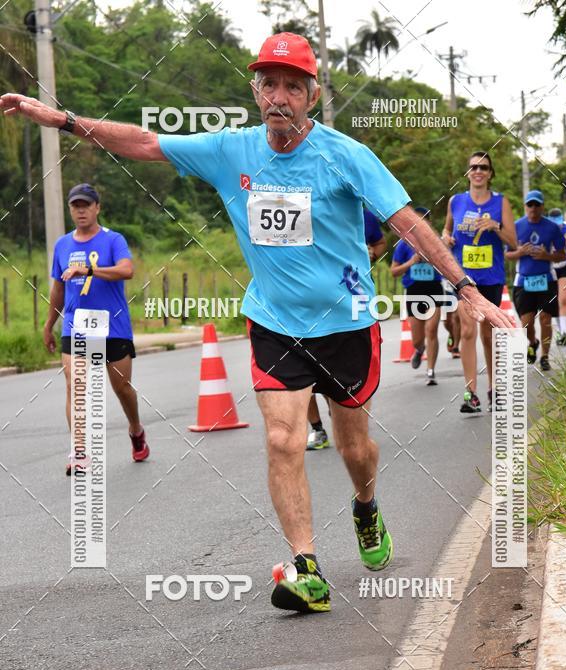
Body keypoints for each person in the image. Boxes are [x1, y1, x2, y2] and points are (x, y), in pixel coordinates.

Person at [0, 33, 513, 613]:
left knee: (356, 450)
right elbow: (144, 142)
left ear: (312, 96)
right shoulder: (231, 151)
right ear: (255, 90)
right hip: (275, 322)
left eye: (294, 86)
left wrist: (465, 287)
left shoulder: (346, 156)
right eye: (269, 83)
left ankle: (366, 508)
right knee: (282, 437)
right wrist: (63, 120)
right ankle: (306, 567)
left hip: (347, 323)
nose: (280, 96)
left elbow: (409, 224)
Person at [44, 183, 149, 474]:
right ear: (70, 210)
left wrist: (89, 269)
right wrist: (49, 323)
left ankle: (136, 429)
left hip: (112, 326)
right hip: (76, 325)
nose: (80, 210)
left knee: (122, 388)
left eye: (86, 205)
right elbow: (58, 288)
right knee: (74, 385)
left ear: (97, 208)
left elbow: (127, 270)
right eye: (75, 206)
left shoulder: (113, 240)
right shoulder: (63, 245)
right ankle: (79, 453)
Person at [442, 151, 517, 412]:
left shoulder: (501, 203)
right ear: (468, 172)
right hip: (464, 278)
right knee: (467, 331)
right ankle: (470, 394)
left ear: (490, 173)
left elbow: (513, 242)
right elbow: (446, 231)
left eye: (483, 167)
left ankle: (494, 389)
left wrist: (495, 225)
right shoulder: (456, 201)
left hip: (492, 277)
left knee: (488, 335)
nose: (478, 171)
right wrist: (446, 239)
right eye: (473, 167)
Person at [307, 208, 386, 450]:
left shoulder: (364, 214)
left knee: (332, 368)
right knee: (303, 368)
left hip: (350, 301)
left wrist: (372, 254)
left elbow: (380, 243)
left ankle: (339, 412)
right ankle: (317, 429)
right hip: (309, 299)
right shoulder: (305, 205)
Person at [506, 190, 566, 371]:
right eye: (530, 205)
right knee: (526, 322)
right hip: (523, 281)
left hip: (546, 280)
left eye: (536, 205)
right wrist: (520, 253)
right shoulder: (515, 226)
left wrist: (546, 255)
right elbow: (507, 254)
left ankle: (545, 357)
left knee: (546, 319)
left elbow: (562, 255)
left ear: (542, 206)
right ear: (525, 206)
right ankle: (533, 342)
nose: (533, 208)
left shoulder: (552, 228)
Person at [390, 206, 445, 386]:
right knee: (417, 339)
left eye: (424, 220)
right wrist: (411, 262)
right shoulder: (403, 244)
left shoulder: (437, 242)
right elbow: (394, 271)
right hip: (414, 292)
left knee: (432, 329)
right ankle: (419, 350)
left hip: (434, 289)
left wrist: (432, 260)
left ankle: (431, 371)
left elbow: (449, 267)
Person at [546, 207, 566, 343]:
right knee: (554, 302)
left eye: (558, 223)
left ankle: (564, 333)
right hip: (550, 268)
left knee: (564, 299)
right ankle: (560, 331)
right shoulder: (544, 228)